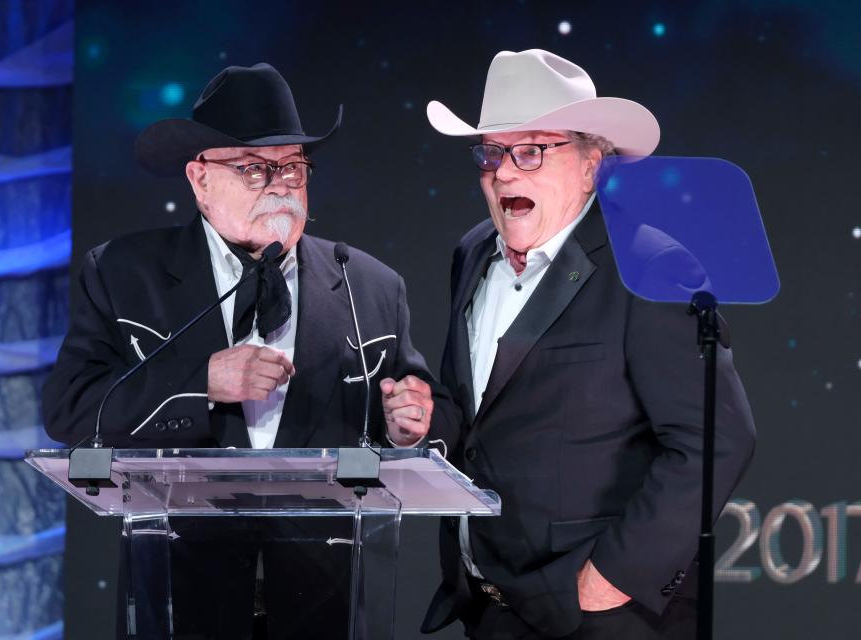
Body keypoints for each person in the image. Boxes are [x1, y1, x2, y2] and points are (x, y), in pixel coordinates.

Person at [43, 63, 453, 640]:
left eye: (292, 167)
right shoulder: (122, 274)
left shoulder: (370, 286)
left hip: (327, 599)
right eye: (256, 168)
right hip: (183, 594)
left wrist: (407, 426)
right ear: (200, 178)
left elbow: (415, 419)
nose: (281, 184)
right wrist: (200, 382)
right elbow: (71, 412)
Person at [420, 49, 756, 639]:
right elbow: (477, 414)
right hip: (493, 608)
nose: (504, 172)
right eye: (492, 153)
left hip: (602, 617)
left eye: (531, 151)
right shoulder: (473, 253)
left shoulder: (648, 266)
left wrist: (608, 580)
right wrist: (425, 419)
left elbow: (717, 439)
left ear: (591, 165)